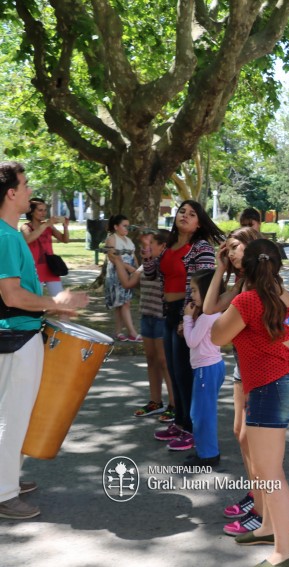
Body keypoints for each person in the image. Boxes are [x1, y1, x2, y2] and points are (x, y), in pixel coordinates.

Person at [0, 161, 88, 520]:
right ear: (11, 193)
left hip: (17, 333)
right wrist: (55, 303)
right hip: (16, 336)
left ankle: (7, 478)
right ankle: (4, 493)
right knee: (13, 416)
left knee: (15, 413)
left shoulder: (9, 235)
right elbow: (11, 295)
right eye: (25, 184)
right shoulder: (6, 236)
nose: (29, 189)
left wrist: (52, 308)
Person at [211, 239, 289, 567]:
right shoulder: (288, 298)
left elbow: (216, 336)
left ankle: (284, 554)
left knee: (270, 473)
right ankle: (267, 528)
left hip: (270, 389)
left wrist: (227, 282)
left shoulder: (248, 301)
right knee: (268, 469)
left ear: (244, 269)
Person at [147, 200, 225, 453]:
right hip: (168, 313)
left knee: (184, 373)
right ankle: (180, 421)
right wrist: (149, 254)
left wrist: (187, 318)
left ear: (199, 222)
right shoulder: (170, 244)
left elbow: (202, 286)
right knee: (174, 371)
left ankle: (191, 428)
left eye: (192, 214)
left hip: (186, 313)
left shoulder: (200, 247)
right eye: (182, 212)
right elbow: (152, 273)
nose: (185, 216)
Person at [203, 227, 264, 536]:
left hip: (261, 369)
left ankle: (262, 509)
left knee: (256, 441)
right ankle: (255, 493)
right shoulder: (242, 282)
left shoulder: (261, 284)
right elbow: (208, 307)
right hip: (243, 365)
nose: (230, 252)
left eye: (235, 247)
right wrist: (219, 268)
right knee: (240, 434)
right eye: (228, 249)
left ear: (252, 248)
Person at [108, 229, 174, 419]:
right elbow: (127, 283)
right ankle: (155, 401)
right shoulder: (147, 265)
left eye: (150, 243)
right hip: (147, 316)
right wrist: (118, 262)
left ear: (162, 246)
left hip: (162, 318)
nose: (146, 248)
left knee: (164, 362)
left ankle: (174, 404)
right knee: (151, 360)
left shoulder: (168, 265)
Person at [182, 270, 225, 467]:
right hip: (210, 367)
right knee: (200, 412)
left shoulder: (206, 317)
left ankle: (208, 455)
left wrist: (187, 319)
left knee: (201, 414)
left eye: (195, 290)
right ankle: (204, 450)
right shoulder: (211, 315)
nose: (192, 295)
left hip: (206, 369)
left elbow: (191, 341)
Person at [21, 198, 69, 297]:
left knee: (61, 300)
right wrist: (46, 224)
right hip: (33, 269)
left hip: (51, 267)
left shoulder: (48, 227)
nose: (44, 213)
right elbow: (29, 239)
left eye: (45, 210)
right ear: (31, 212)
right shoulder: (25, 227)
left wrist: (65, 227)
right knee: (35, 302)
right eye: (40, 210)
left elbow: (65, 240)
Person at [104, 214, 142, 342]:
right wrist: (127, 267)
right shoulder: (111, 239)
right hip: (117, 273)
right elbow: (112, 257)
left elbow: (134, 256)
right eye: (124, 226)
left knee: (122, 303)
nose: (127, 228)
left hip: (129, 272)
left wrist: (137, 269)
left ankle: (118, 332)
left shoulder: (128, 240)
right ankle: (132, 332)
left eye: (128, 226)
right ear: (116, 227)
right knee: (124, 303)